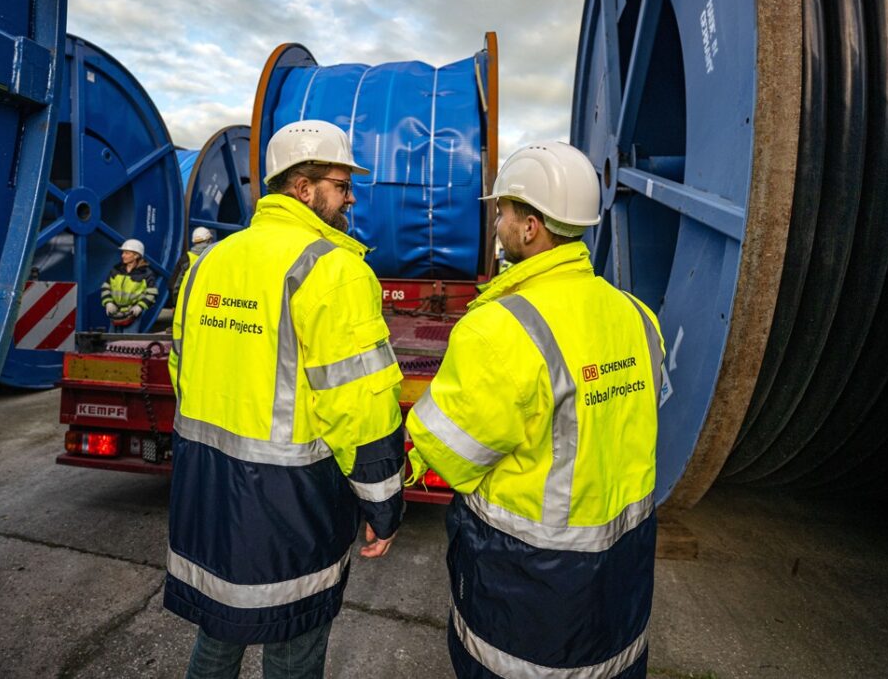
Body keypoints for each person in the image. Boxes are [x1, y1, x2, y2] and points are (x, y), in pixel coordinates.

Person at [405, 141, 666, 678]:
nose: (497, 223)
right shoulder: (637, 316)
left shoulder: (499, 328)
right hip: (621, 586)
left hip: (527, 594)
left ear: (530, 228)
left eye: (503, 211)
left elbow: (448, 452)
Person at [166, 120, 405, 679]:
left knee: (218, 633)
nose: (350, 198)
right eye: (341, 186)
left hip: (207, 492)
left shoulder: (208, 263)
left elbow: (183, 371)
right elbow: (359, 407)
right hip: (292, 506)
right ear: (303, 188)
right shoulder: (334, 269)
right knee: (295, 647)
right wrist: (383, 502)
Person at [101, 238, 158, 333]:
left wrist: (140, 306)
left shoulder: (146, 274)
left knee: (128, 340)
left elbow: (152, 293)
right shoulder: (116, 270)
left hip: (132, 314)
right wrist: (108, 302)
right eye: (123, 252)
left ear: (136, 255)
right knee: (112, 340)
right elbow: (106, 288)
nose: (123, 255)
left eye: (127, 253)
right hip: (115, 313)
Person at [169, 226, 214, 306]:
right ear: (209, 240)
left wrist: (174, 304)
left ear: (194, 242)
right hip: (208, 304)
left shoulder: (186, 259)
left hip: (188, 303)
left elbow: (174, 285)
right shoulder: (214, 257)